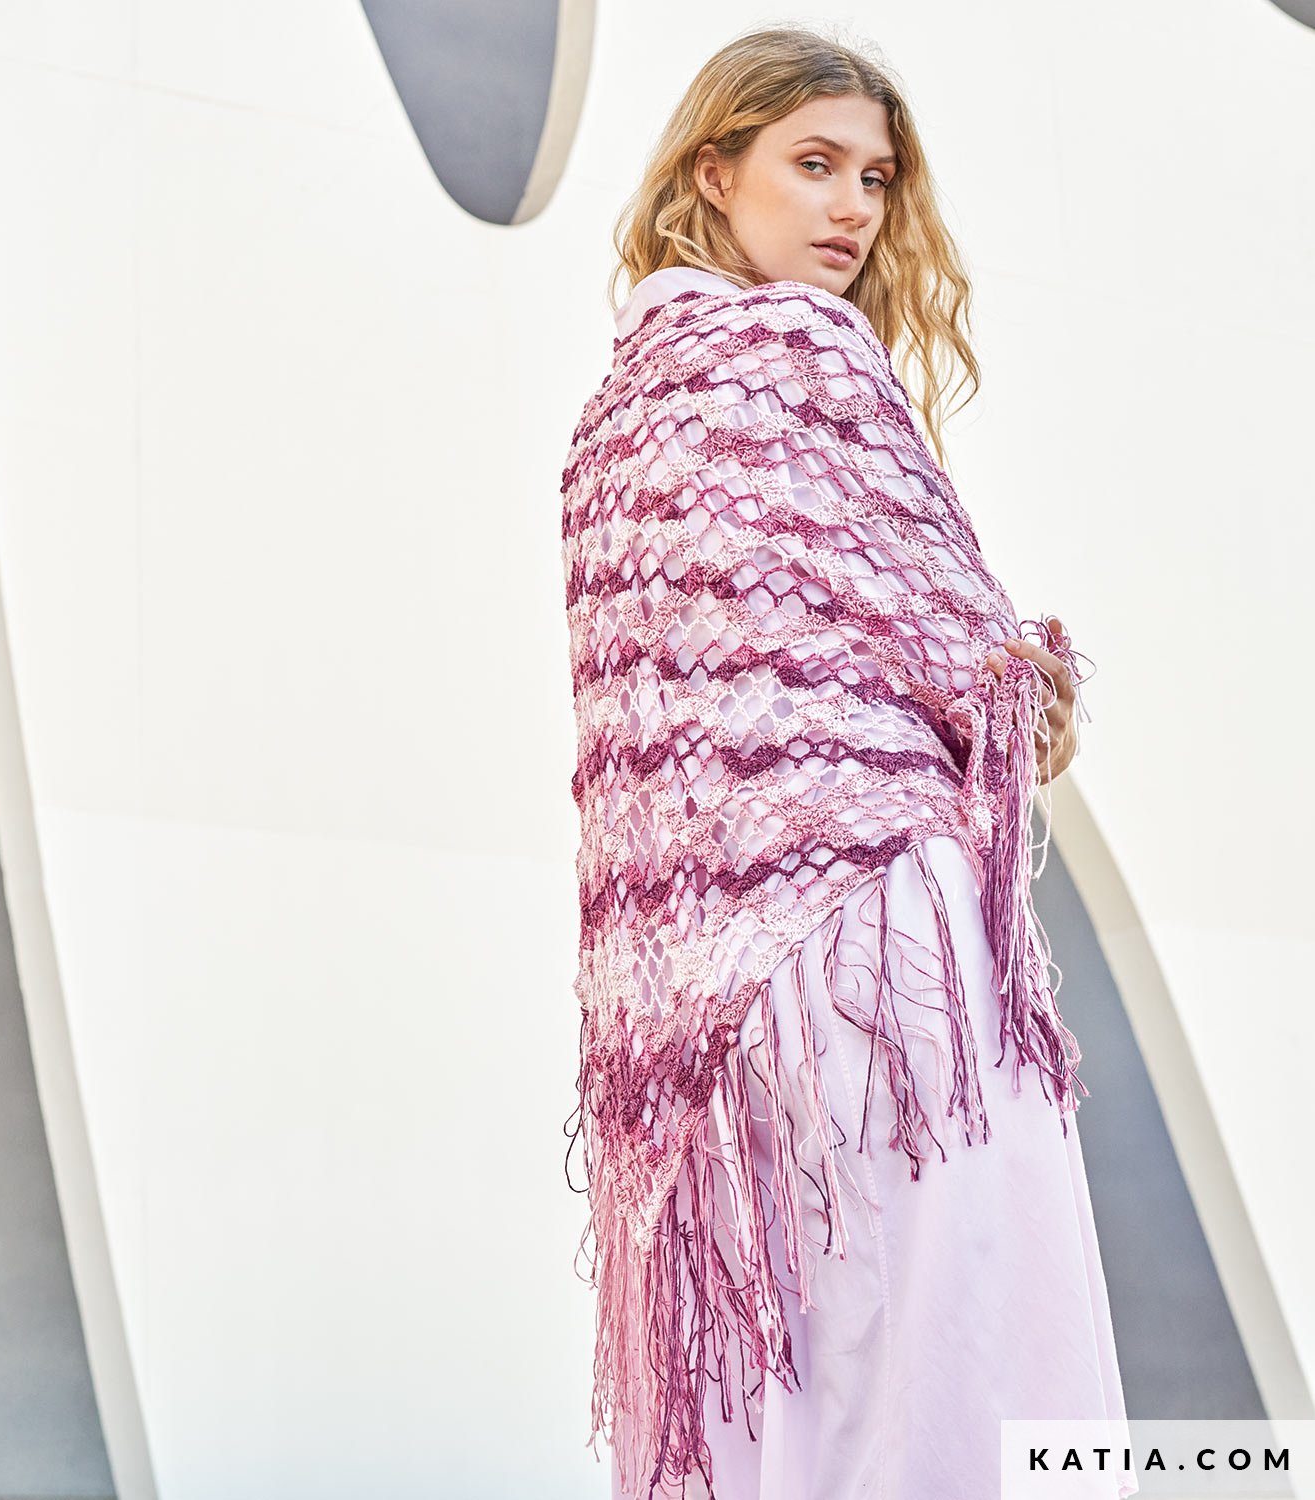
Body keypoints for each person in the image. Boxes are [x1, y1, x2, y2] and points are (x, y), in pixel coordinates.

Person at [561, 24, 1136, 1500]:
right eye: (813, 165)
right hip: (883, 951)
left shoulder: (612, 416)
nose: (853, 211)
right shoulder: (810, 349)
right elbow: (975, 658)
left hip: (704, 1021)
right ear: (714, 170)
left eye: (874, 179)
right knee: (960, 1352)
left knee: (786, 1387)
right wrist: (1037, 672)